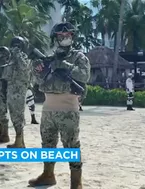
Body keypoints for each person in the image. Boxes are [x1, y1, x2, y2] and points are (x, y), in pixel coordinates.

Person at [28, 22, 90, 188]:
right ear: (55, 38)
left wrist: (64, 65)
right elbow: (39, 82)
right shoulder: (49, 58)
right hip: (48, 109)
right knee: (47, 144)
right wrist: (38, 70)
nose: (64, 38)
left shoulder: (79, 57)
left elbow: (84, 75)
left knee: (71, 146)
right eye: (61, 36)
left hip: (68, 109)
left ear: (72, 37)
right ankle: (48, 175)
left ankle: (76, 183)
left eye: (68, 35)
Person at [5, 36, 32, 148]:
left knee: (18, 116)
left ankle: (19, 142)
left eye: (17, 46)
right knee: (13, 115)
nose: (15, 48)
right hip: (11, 90)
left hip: (19, 90)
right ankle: (20, 141)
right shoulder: (11, 59)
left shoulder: (24, 58)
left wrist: (17, 54)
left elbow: (24, 67)